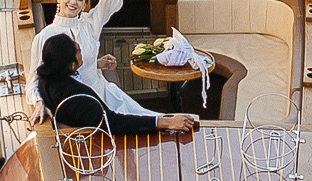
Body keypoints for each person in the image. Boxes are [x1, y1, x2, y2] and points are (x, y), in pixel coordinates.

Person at [27, 0, 158, 116]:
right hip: (80, 105)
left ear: (84, 4)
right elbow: (33, 83)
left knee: (150, 119)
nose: (73, 2)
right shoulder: (44, 37)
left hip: (105, 94)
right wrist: (39, 103)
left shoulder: (90, 24)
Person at [34, 29, 194, 142]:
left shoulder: (46, 79)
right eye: (78, 52)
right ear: (70, 65)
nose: (82, 53)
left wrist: (96, 64)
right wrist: (165, 122)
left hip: (89, 123)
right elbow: (114, 123)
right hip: (101, 138)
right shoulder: (78, 98)